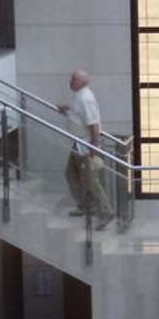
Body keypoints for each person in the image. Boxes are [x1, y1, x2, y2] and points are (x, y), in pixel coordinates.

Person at [58, 68, 114, 230]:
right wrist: (67, 110)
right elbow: (79, 116)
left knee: (91, 180)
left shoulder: (85, 98)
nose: (70, 81)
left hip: (85, 146)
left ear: (82, 82)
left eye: (74, 79)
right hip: (78, 144)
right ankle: (85, 205)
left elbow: (93, 125)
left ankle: (105, 211)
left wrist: (93, 148)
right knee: (71, 174)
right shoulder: (79, 96)